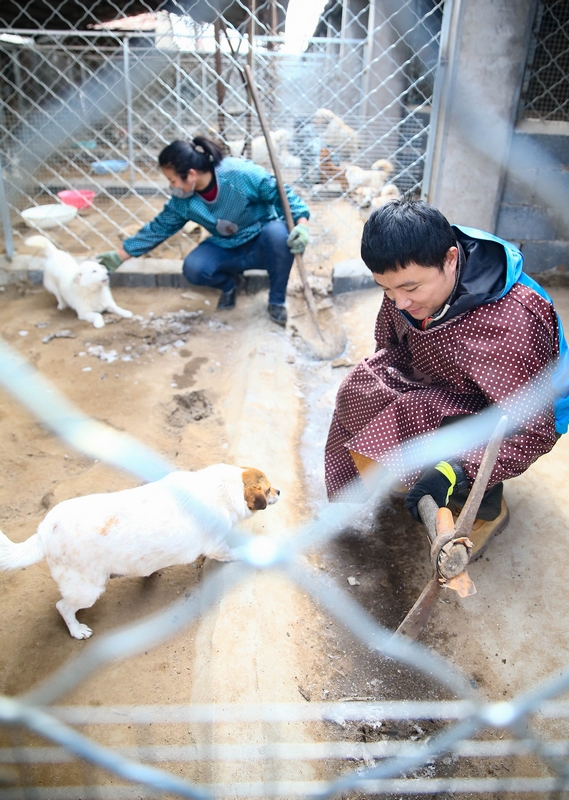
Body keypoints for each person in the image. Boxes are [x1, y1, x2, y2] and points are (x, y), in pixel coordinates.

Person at [325, 199, 569, 557]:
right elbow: (388, 344)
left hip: (513, 407)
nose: (400, 303)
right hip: (446, 377)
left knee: (444, 440)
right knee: (362, 388)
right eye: (386, 290)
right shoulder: (404, 288)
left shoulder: (513, 321)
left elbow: (533, 429)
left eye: (411, 289)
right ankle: (416, 464)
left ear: (451, 260)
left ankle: (486, 505)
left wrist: (454, 470)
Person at [96, 136, 311, 326]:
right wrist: (121, 255)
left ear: (190, 175)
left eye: (172, 180)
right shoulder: (184, 201)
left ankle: (276, 301)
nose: (172, 186)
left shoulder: (238, 174)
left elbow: (283, 195)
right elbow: (159, 228)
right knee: (194, 268)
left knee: (279, 234)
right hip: (227, 246)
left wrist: (302, 225)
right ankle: (231, 284)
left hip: (262, 241)